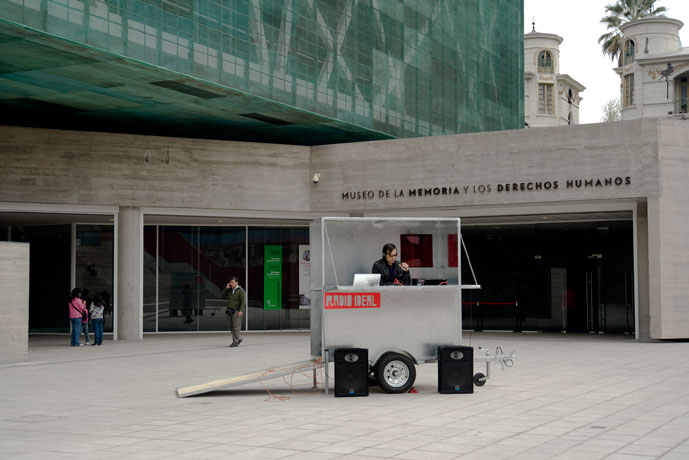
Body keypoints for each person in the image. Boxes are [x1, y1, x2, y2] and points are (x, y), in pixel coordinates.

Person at [221, 276, 246, 347]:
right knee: (231, 327)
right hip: (229, 311)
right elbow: (222, 296)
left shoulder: (241, 291)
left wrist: (241, 310)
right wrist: (226, 288)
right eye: (230, 282)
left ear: (237, 282)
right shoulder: (229, 290)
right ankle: (239, 338)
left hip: (236, 311)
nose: (231, 284)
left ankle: (235, 342)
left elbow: (243, 302)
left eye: (233, 282)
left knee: (236, 327)